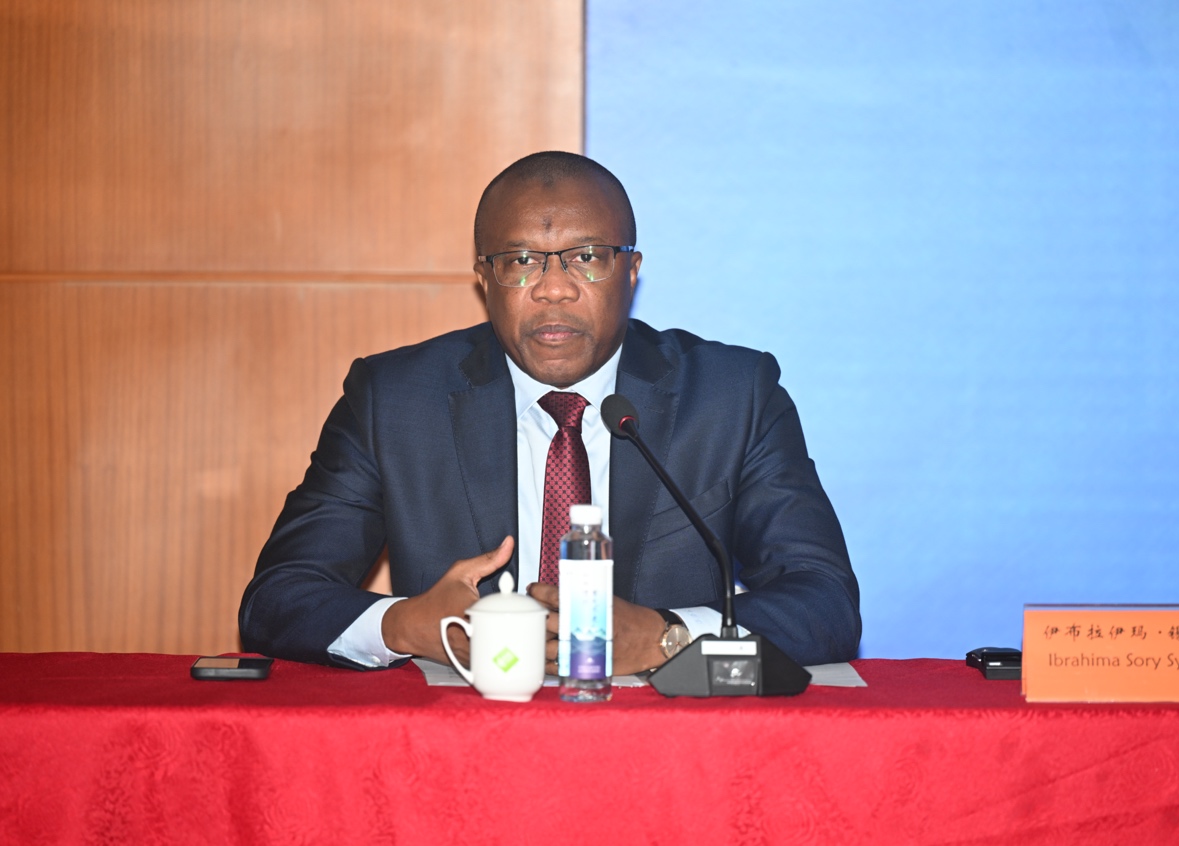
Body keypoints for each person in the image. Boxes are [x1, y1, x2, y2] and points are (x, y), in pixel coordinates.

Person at [239, 151, 860, 674]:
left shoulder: (731, 397)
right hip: (460, 741)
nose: (553, 288)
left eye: (587, 256)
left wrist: (666, 637)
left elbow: (825, 602)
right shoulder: (395, 401)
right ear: (484, 279)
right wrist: (408, 625)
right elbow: (277, 599)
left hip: (668, 747)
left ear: (631, 271)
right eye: (520, 261)